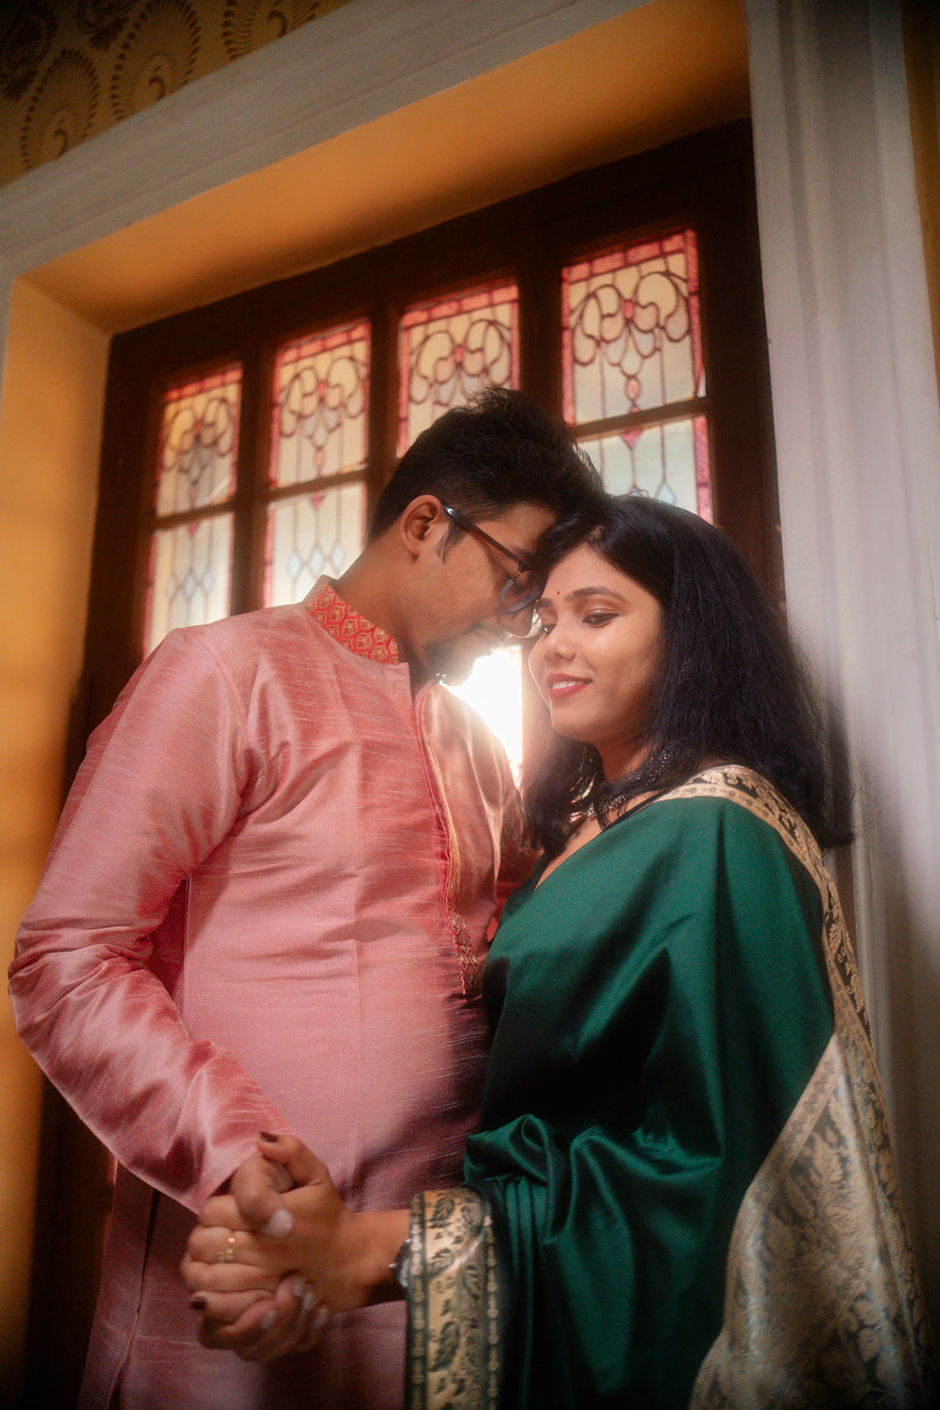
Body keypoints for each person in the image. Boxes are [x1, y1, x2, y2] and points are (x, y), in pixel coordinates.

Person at [182, 495, 936, 1407]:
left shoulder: (720, 832)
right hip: (521, 1283)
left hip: (639, 1330)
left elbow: (705, 1175)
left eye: (598, 615)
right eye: (543, 619)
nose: (553, 646)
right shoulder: (575, 829)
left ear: (692, 637)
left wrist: (373, 1251)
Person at [8, 387, 602, 1410]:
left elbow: (501, 966)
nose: (520, 631)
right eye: (516, 587)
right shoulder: (224, 675)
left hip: (420, 1289)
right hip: (237, 1270)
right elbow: (66, 961)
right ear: (426, 523)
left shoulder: (473, 743)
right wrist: (241, 1162)